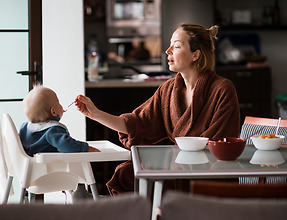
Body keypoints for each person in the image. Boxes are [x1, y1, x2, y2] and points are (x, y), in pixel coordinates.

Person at [75, 23, 240, 195]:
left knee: (148, 177)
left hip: (208, 173)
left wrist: (174, 162)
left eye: (176, 46)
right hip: (178, 167)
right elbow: (136, 123)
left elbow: (220, 144)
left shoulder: (222, 89)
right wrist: (95, 114)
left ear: (196, 54)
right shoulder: (168, 90)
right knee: (126, 173)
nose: (168, 51)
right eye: (170, 45)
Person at [19, 84, 100, 156]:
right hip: (51, 167)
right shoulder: (53, 130)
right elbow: (68, 146)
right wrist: (86, 148)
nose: (60, 105)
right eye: (58, 103)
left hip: (31, 167)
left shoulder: (24, 127)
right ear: (53, 112)